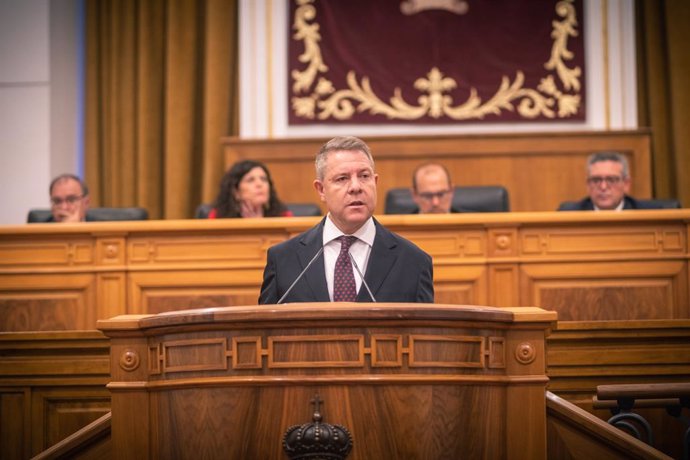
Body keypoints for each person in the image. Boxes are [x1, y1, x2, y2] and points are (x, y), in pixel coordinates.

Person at [259, 136, 434, 304]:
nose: (356, 187)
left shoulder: (414, 262)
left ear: (376, 182)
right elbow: (264, 330)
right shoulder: (283, 260)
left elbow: (423, 332)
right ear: (321, 190)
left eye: (364, 176)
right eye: (342, 179)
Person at [559, 152, 666, 211]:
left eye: (611, 180)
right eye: (596, 180)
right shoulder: (569, 214)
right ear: (588, 184)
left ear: (626, 184)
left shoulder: (648, 214)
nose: (603, 187)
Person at [209, 160, 292, 218]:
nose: (259, 184)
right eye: (250, 180)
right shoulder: (219, 216)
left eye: (263, 179)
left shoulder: (282, 216)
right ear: (236, 192)